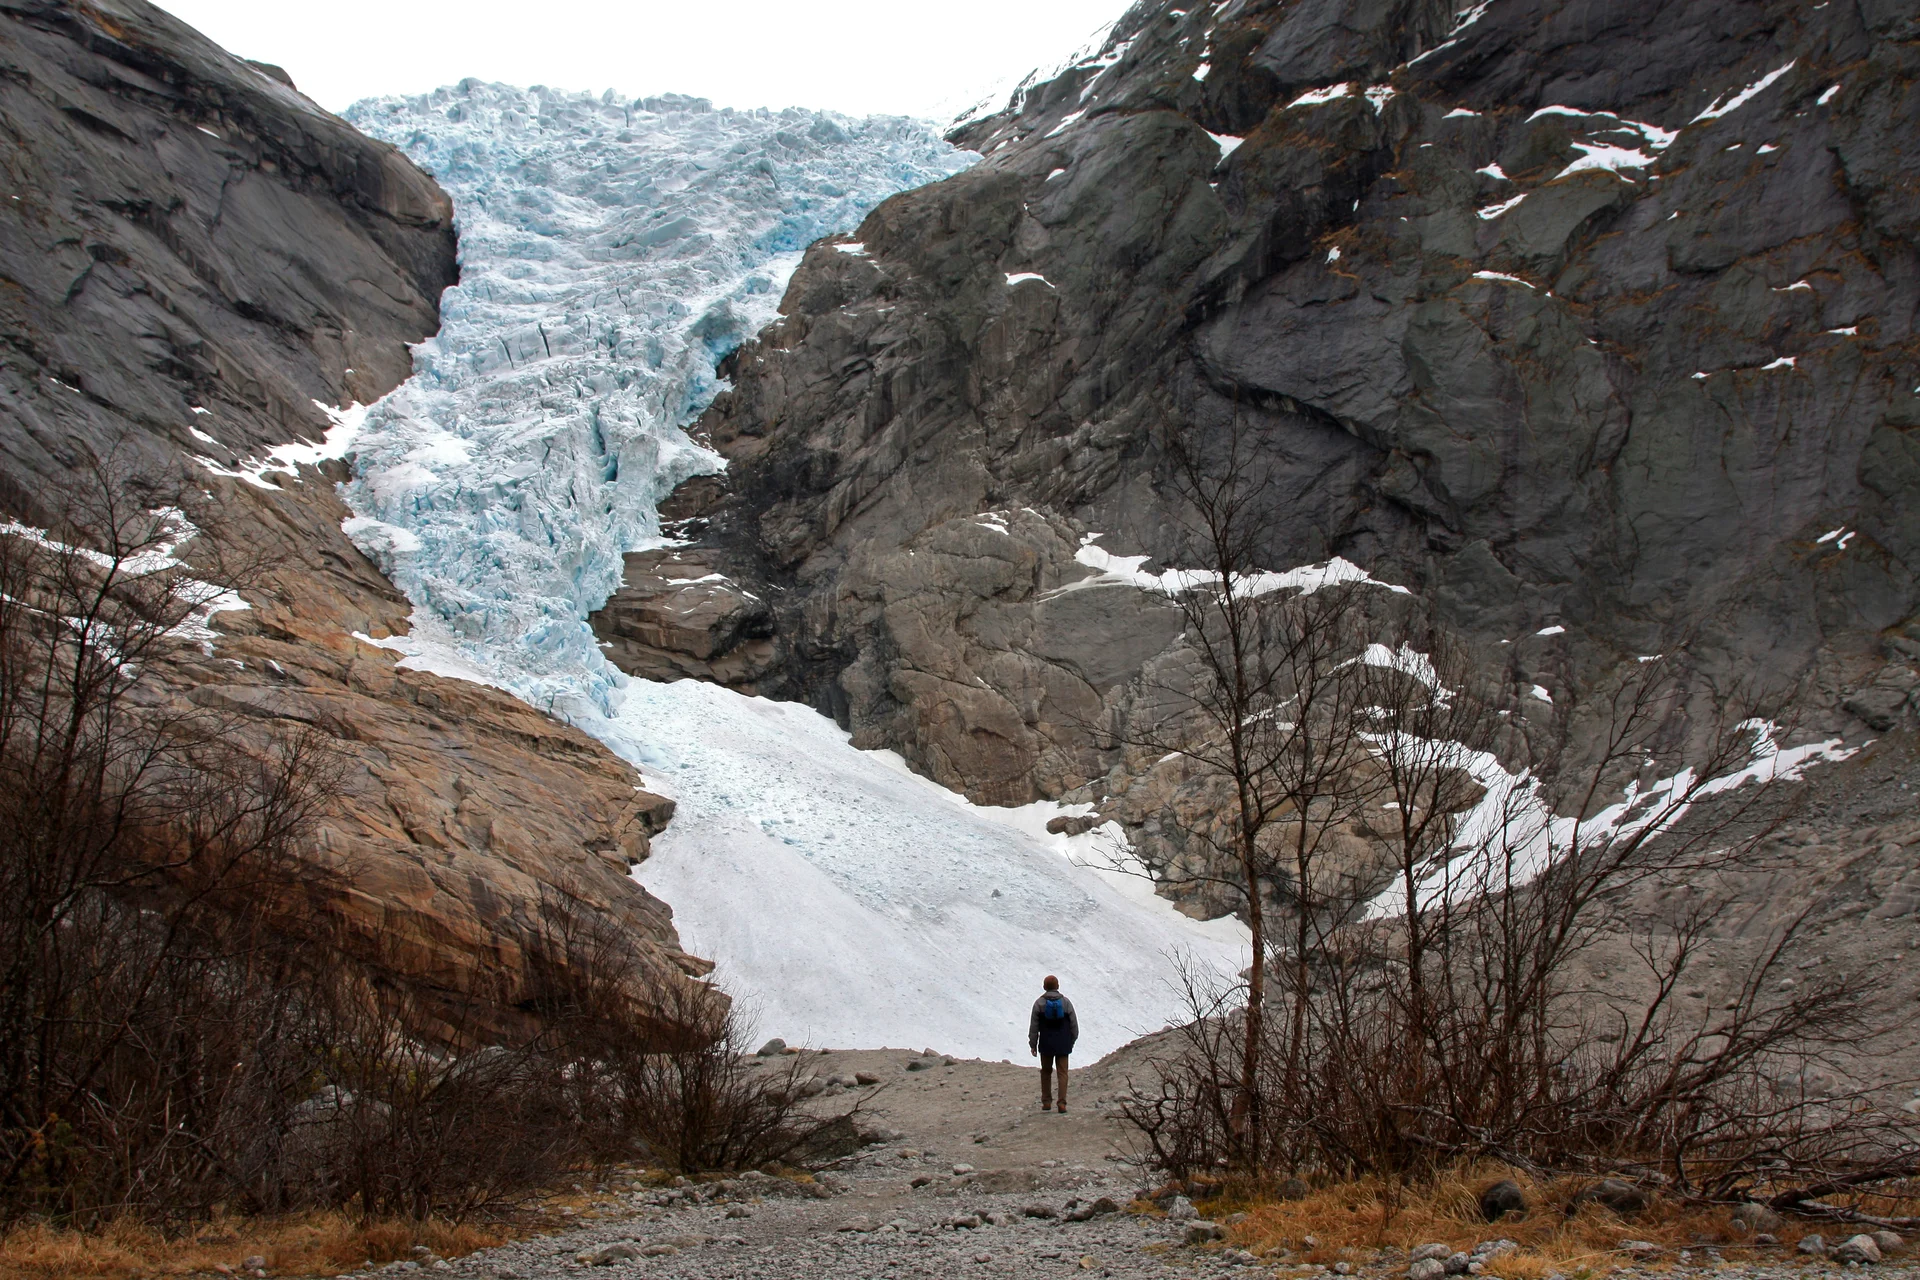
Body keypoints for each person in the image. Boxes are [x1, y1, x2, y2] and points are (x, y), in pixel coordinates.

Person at [1028, 975, 1078, 1112]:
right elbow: (1074, 1025)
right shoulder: (1066, 1003)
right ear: (1058, 986)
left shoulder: (1039, 1003)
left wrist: (1033, 1044)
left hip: (1046, 1044)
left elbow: (1034, 1026)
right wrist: (1071, 1041)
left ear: (1044, 987)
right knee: (1062, 1073)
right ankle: (1062, 1103)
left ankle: (1046, 1102)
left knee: (1046, 1072)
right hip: (1063, 1043)